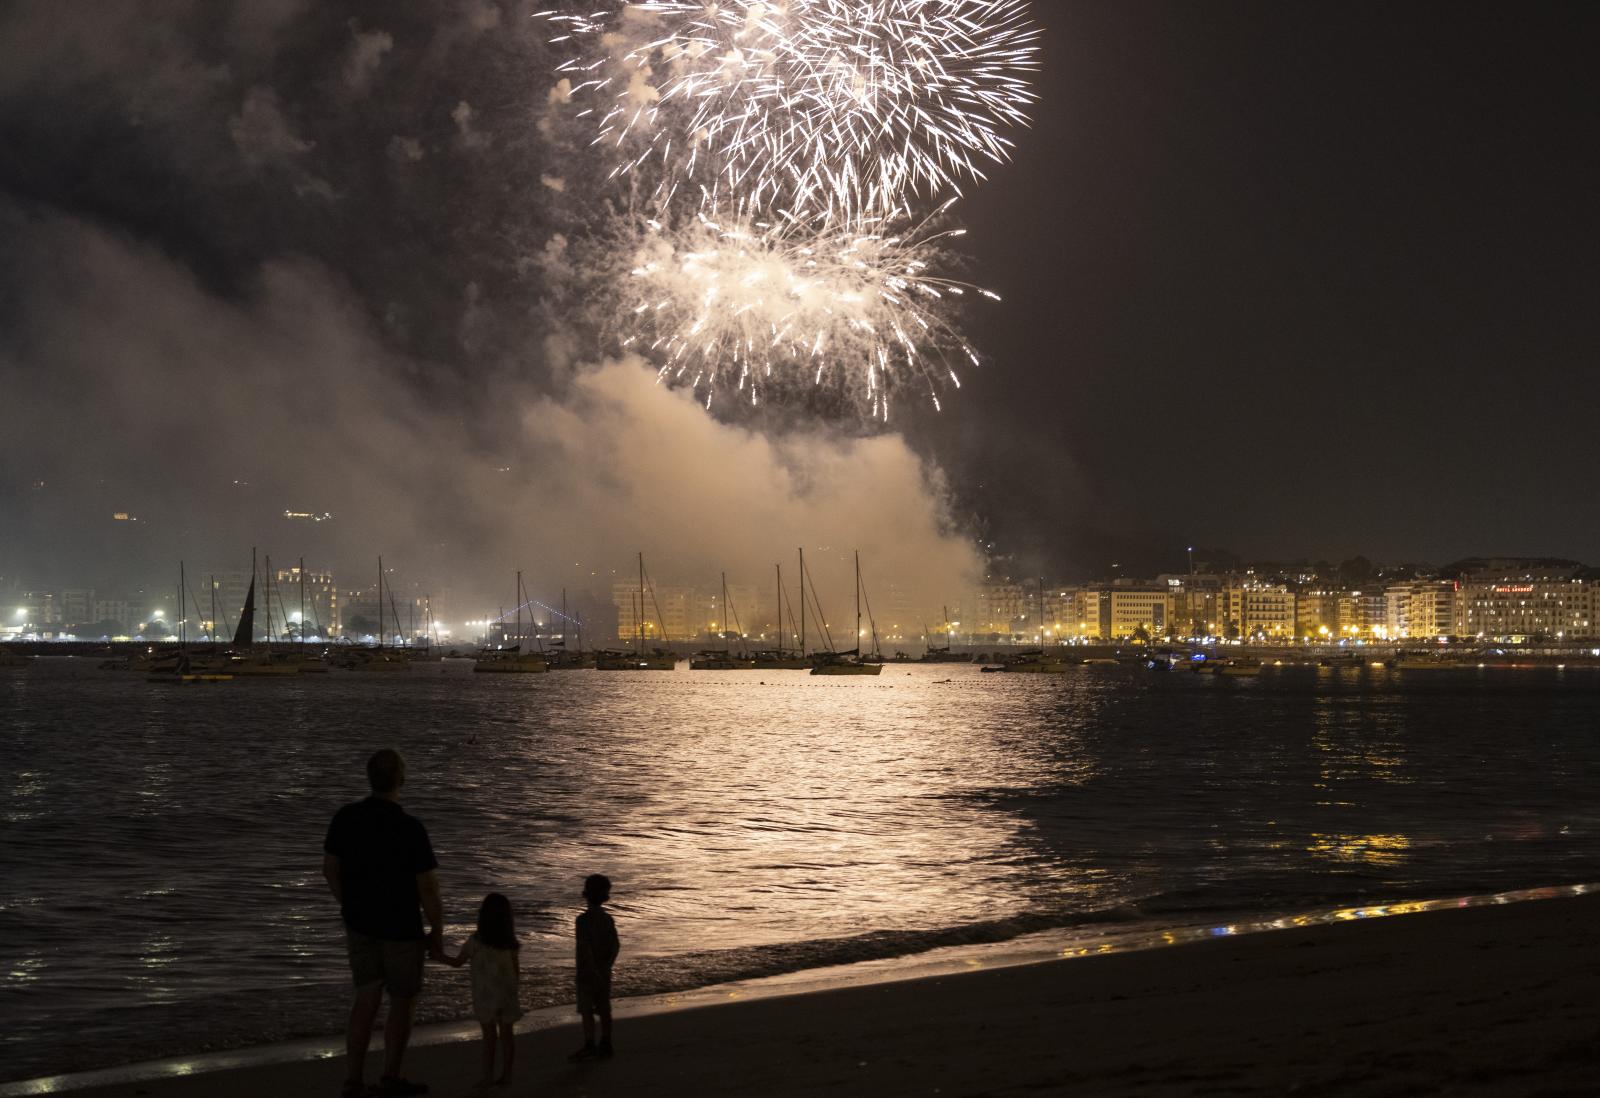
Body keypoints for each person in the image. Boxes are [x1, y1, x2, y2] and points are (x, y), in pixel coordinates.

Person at [323, 749, 444, 1098]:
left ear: (369, 777)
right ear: (401, 779)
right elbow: (428, 888)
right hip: (401, 927)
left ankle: (353, 1079)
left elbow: (330, 869)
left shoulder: (346, 818)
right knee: (402, 1001)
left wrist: (350, 904)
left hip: (360, 923)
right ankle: (390, 1076)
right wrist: (436, 929)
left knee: (366, 997)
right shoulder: (410, 828)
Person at [440, 893, 523, 1088]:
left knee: (489, 1038)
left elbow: (457, 962)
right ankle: (507, 1075)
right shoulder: (509, 943)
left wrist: (438, 955)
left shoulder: (476, 941)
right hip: (507, 995)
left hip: (485, 996)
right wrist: (514, 991)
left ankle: (488, 1076)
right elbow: (516, 969)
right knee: (507, 1036)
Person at [568, 873, 620, 1062]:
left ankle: (590, 1043)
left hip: (586, 972)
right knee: (604, 1009)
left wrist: (592, 969)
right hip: (604, 970)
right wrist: (606, 966)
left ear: (586, 894)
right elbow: (615, 945)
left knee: (587, 1010)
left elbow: (585, 947)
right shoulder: (608, 919)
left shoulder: (582, 920)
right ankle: (606, 1043)